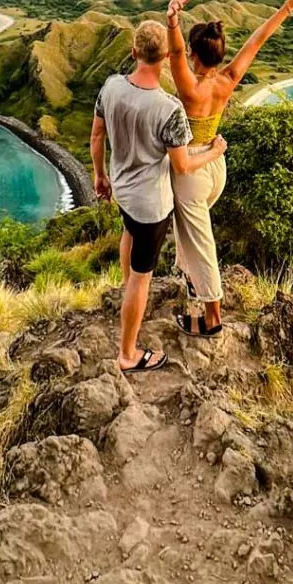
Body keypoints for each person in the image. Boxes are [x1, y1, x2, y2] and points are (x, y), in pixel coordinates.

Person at [165, 0, 293, 337]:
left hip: (192, 169)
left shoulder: (190, 88)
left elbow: (173, 54)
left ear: (194, 53)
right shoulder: (229, 79)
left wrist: (172, 20)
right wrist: (290, 4)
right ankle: (191, 281)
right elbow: (258, 40)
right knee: (191, 234)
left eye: (188, 52)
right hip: (216, 165)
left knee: (200, 241)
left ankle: (212, 318)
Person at [90, 19, 228, 374]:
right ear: (166, 57)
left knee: (128, 235)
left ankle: (128, 301)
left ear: (134, 52)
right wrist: (215, 151)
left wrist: (100, 176)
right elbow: (182, 167)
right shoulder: (169, 108)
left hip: (122, 189)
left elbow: (96, 136)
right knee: (142, 276)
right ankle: (127, 353)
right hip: (151, 202)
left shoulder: (110, 88)